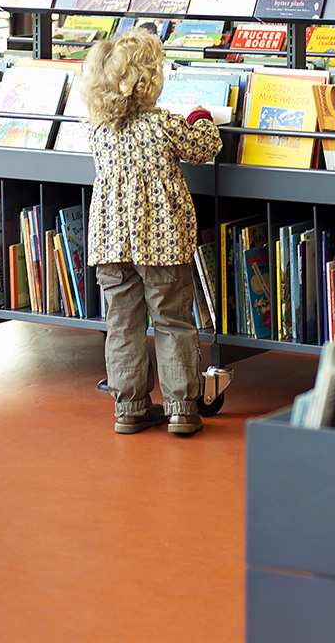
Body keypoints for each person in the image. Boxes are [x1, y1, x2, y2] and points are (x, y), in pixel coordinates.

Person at [82, 30, 223, 436]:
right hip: (161, 244)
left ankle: (129, 407)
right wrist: (201, 118)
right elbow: (204, 147)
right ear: (148, 82)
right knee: (172, 320)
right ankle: (181, 408)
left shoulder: (98, 130)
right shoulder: (163, 125)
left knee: (122, 324)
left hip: (111, 244)